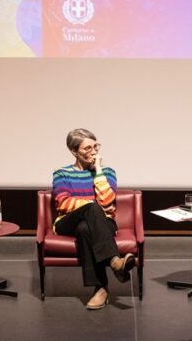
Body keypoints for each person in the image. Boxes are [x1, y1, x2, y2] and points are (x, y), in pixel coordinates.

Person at [51, 128, 136, 310]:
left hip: (102, 224)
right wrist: (93, 205)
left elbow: (107, 199)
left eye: (96, 146)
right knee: (92, 208)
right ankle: (115, 262)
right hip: (67, 222)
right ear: (74, 151)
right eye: (87, 148)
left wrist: (98, 170)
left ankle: (101, 289)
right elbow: (63, 203)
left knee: (84, 229)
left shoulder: (107, 172)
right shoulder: (61, 173)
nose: (94, 152)